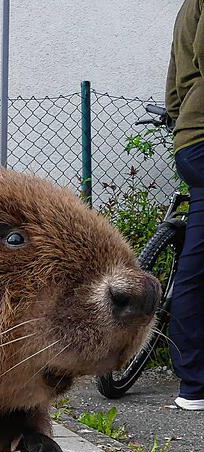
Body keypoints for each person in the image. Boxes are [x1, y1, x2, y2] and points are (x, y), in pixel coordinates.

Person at [165, 0, 204, 410]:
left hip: (191, 139)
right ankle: (195, 383)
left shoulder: (187, 6)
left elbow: (176, 82)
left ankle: (194, 381)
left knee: (197, 258)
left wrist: (180, 116)